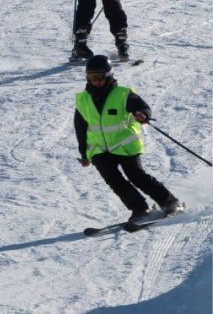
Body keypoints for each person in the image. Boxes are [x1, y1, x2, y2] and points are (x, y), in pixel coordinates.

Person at [75, 55, 181, 225]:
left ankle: (170, 203)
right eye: (91, 76)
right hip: (99, 149)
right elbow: (80, 126)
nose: (96, 81)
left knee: (137, 176)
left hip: (125, 145)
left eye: (100, 77)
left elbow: (143, 107)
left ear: (109, 75)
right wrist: (84, 152)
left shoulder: (123, 94)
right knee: (114, 181)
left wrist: (143, 115)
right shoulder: (83, 99)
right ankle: (139, 209)